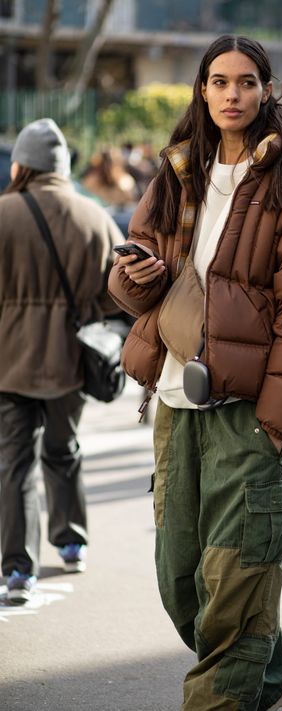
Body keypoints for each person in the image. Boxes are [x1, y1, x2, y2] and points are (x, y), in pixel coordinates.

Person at [109, 35, 282, 710]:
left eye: (246, 82)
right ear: (202, 90)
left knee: (235, 584)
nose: (231, 94)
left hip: (246, 416)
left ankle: (234, 682)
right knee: (180, 583)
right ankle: (272, 671)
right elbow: (132, 293)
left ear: (267, 92)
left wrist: (276, 423)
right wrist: (135, 278)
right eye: (218, 81)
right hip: (174, 406)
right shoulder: (175, 175)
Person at [0, 118, 123, 603]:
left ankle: (17, 570)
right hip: (72, 360)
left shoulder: (2, 214)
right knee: (64, 447)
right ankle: (71, 541)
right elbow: (120, 295)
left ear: (22, 165)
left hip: (9, 360)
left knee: (14, 461)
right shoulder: (93, 217)